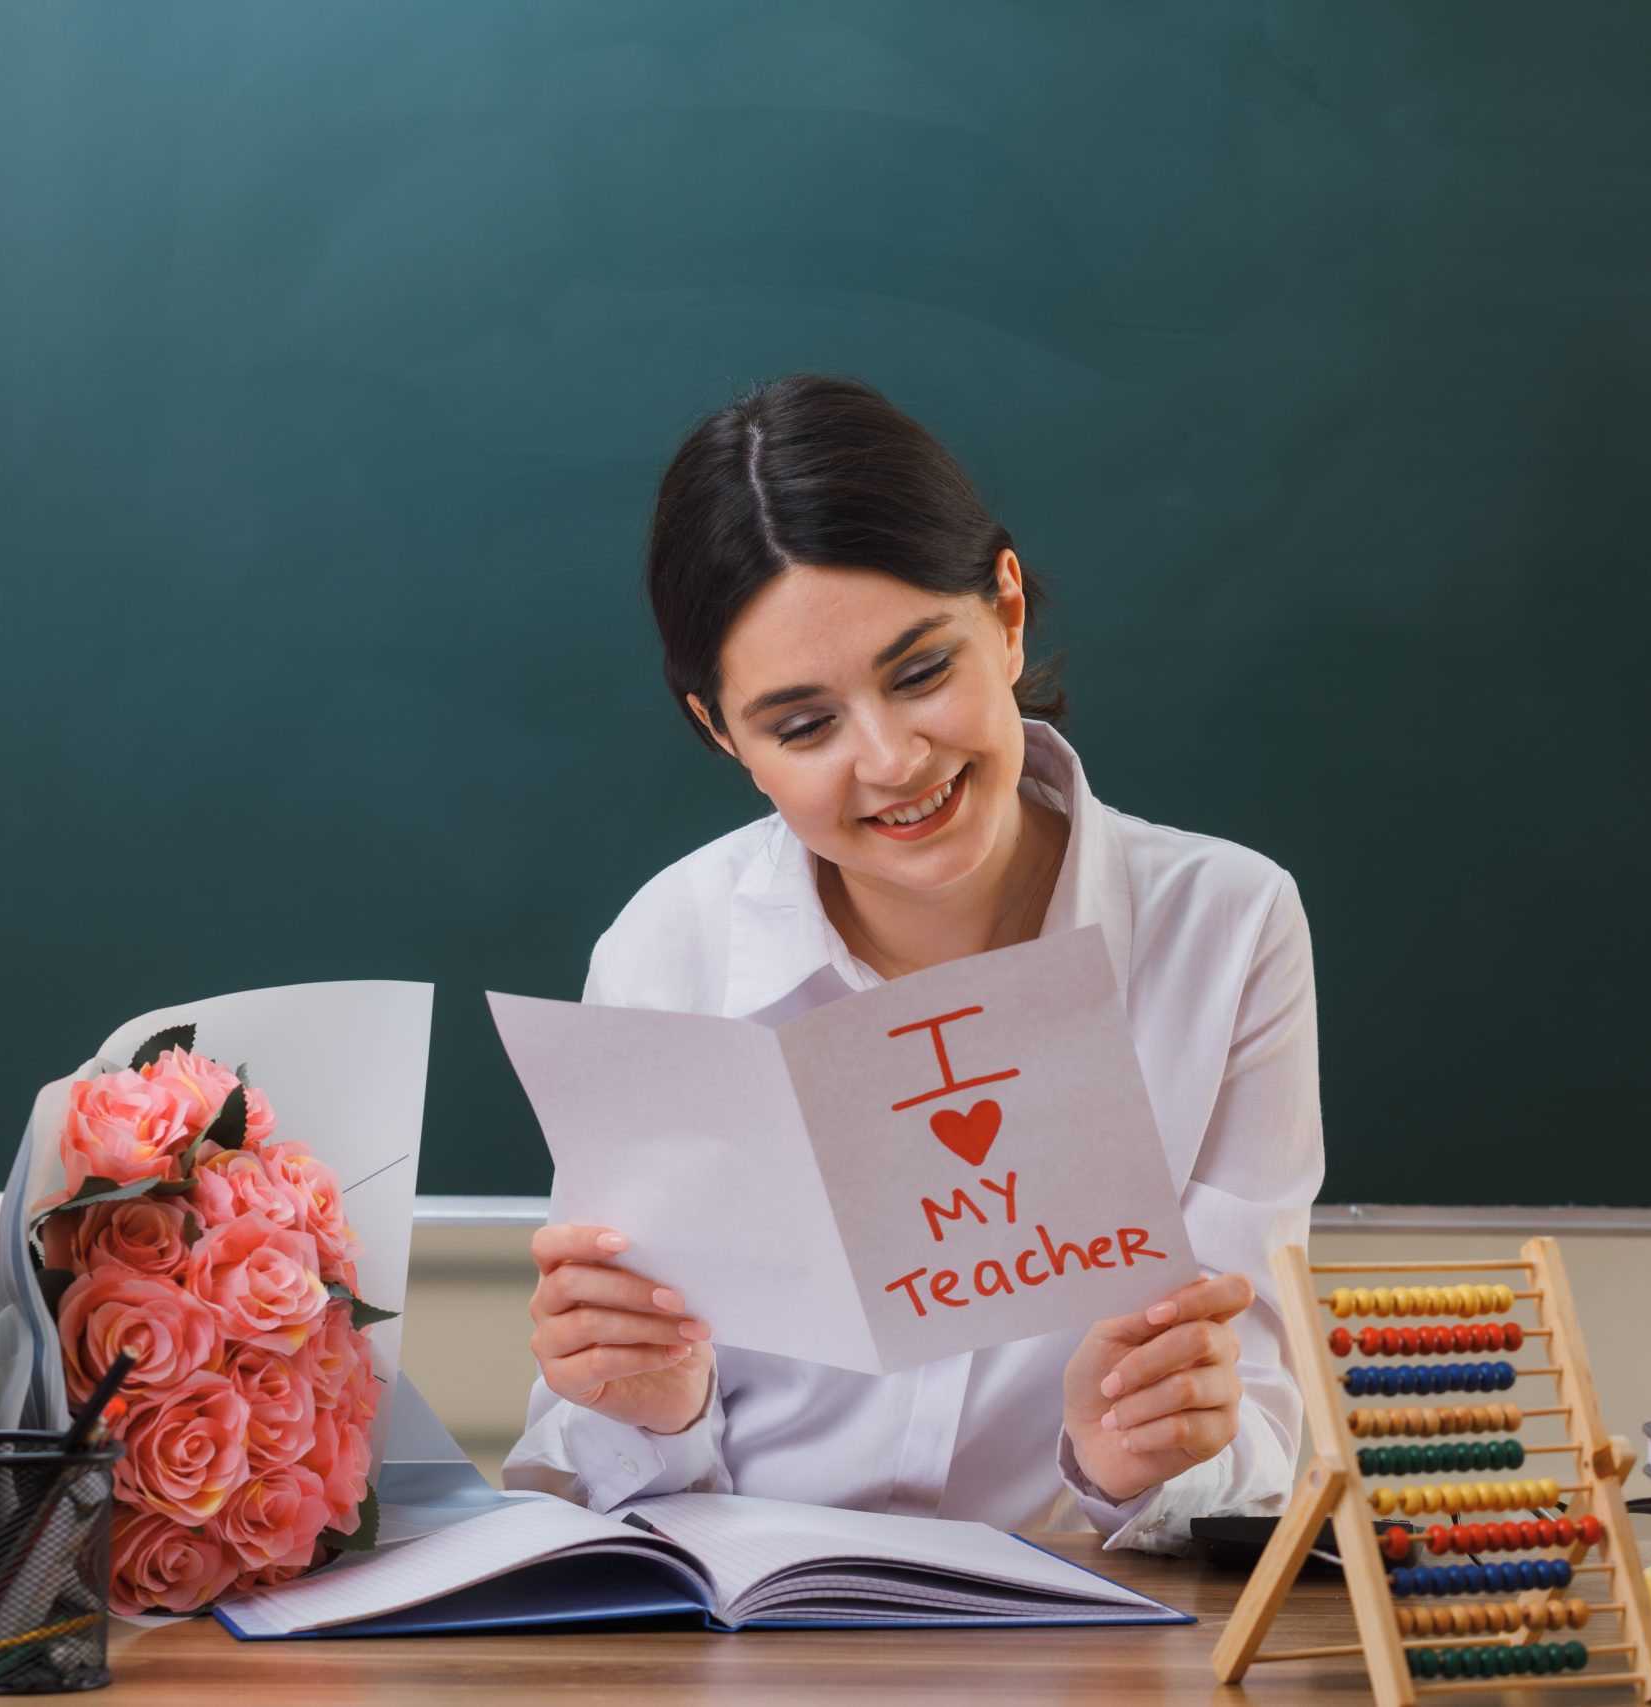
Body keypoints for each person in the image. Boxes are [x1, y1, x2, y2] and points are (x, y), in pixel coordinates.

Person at [502, 376, 1323, 1552]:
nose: (890, 762)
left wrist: (1142, 1455)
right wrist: (650, 1410)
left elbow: (1252, 1437)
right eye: (801, 725)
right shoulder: (668, 949)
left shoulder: (1226, 927)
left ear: (1005, 610)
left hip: (1083, 1640)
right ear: (720, 734)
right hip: (749, 1640)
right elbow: (600, 1466)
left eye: (921, 671)